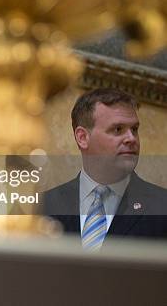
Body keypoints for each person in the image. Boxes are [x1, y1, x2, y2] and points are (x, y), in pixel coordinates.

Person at [43, 88, 167, 249]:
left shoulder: (161, 207)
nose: (131, 139)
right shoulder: (43, 207)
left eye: (134, 129)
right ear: (83, 138)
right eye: (118, 129)